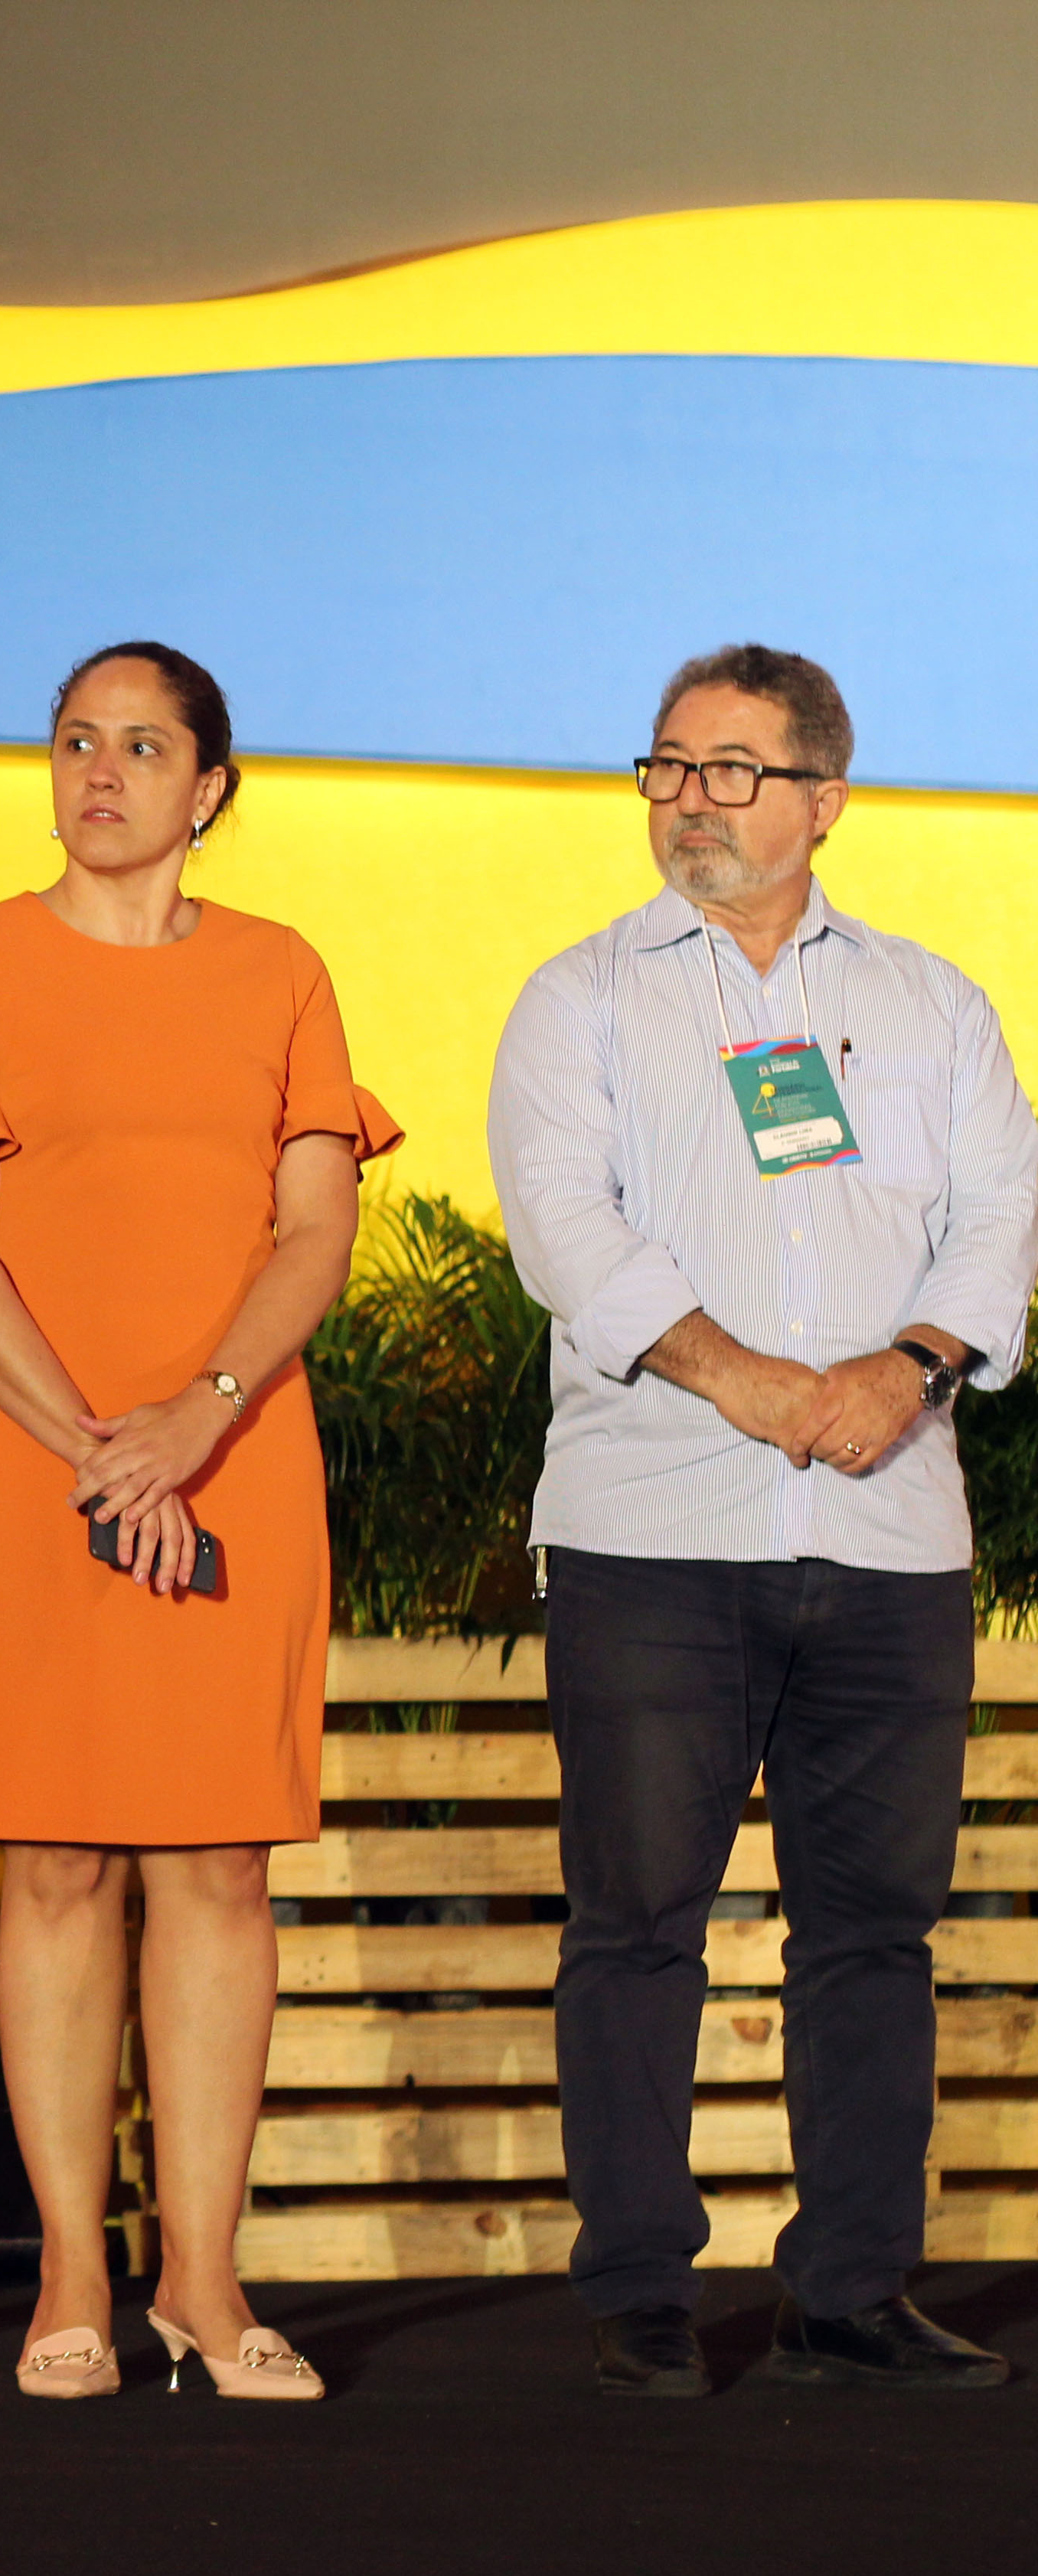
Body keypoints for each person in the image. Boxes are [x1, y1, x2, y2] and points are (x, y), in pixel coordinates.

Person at [488, 645, 1036, 2397]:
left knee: (873, 1931)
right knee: (637, 1921)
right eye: (666, 767)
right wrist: (754, 1383)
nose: (690, 802)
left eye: (732, 769)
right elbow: (570, 1233)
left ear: (824, 798)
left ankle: (852, 2291)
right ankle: (642, 2286)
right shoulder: (578, 1000)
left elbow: (999, 1226)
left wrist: (908, 1367)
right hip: (657, 1527)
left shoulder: (933, 1002)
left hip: (890, 1537)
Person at [0, 641, 393, 2402]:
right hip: (46, 1465)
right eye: (76, 741)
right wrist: (107, 1451)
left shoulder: (281, 971)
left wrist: (199, 1420)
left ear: (210, 789)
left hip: (235, 1447)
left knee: (219, 1864)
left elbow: (310, 1229)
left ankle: (206, 2280)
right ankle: (70, 2277)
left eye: (143, 745)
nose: (101, 772)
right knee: (59, 1859)